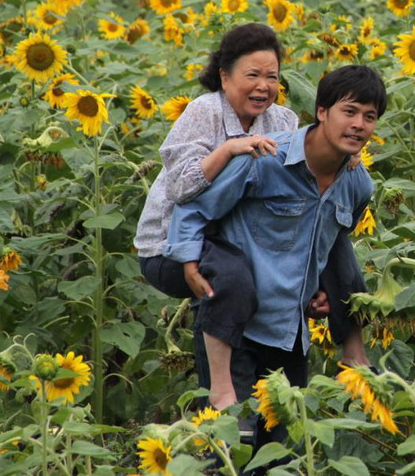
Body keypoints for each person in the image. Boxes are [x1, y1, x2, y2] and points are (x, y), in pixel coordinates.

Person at [134, 23, 367, 411]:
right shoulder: (204, 112)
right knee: (231, 276)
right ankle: (223, 392)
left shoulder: (282, 121)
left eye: (272, 77)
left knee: (331, 233)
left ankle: (354, 349)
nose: (263, 86)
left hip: (237, 239)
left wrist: (342, 151)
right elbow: (181, 189)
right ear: (224, 76)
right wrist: (230, 150)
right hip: (173, 245)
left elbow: (297, 186)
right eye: (252, 75)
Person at [162, 64, 386, 449]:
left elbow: (329, 243)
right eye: (349, 112)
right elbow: (195, 207)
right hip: (236, 328)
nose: (359, 125)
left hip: (289, 334)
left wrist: (320, 288)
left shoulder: (358, 184)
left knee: (281, 456)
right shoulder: (266, 159)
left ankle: (355, 351)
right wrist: (188, 262)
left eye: (369, 117)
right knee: (231, 449)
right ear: (321, 112)